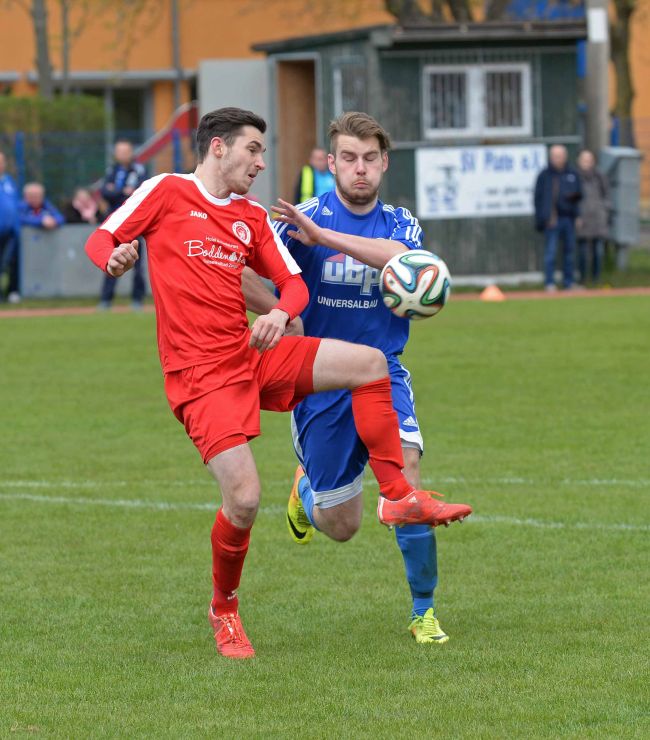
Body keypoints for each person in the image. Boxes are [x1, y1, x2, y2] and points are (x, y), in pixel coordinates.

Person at [84, 107, 472, 661]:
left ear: (384, 162)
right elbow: (105, 239)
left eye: (370, 158)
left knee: (373, 370)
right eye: (254, 150)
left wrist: (282, 312)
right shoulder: (171, 192)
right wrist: (115, 258)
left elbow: (299, 285)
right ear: (219, 147)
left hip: (276, 355)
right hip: (206, 375)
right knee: (264, 505)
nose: (262, 163)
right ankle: (228, 604)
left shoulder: (260, 216)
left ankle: (404, 521)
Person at [242, 111, 463, 645]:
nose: (359, 169)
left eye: (369, 158)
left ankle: (423, 611)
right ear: (331, 162)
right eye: (348, 158)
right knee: (342, 526)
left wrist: (325, 239)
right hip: (322, 382)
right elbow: (241, 271)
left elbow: (406, 259)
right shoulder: (299, 220)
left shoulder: (398, 222)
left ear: (384, 163)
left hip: (384, 372)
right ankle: (307, 490)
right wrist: (280, 311)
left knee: (407, 483)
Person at [98, 140, 147, 310]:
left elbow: (139, 193)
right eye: (119, 151)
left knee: (137, 263)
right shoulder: (111, 170)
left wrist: (116, 191)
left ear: (131, 152)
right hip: (114, 223)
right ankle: (106, 300)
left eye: (125, 151)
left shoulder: (139, 170)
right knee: (111, 260)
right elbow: (105, 192)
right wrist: (122, 191)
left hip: (134, 223)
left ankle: (137, 299)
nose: (122, 154)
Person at [533, 145, 582, 291]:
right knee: (551, 253)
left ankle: (569, 283)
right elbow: (538, 198)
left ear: (565, 156)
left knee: (569, 252)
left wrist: (577, 215)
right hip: (552, 220)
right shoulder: (544, 175)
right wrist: (542, 218)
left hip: (568, 219)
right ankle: (549, 283)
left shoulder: (572, 174)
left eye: (560, 156)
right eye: (555, 156)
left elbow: (579, 196)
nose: (558, 159)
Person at [575, 149, 610, 285]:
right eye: (584, 160)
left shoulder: (600, 177)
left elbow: (607, 196)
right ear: (579, 161)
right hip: (582, 220)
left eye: (589, 160)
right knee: (583, 252)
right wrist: (576, 215)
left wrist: (604, 211)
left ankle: (596, 279)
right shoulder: (574, 177)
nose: (586, 163)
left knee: (598, 252)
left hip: (598, 220)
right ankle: (582, 279)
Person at [0, 151, 20, 303]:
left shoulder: (9, 182)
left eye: (2, 161)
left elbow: (16, 204)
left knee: (10, 263)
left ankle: (12, 291)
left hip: (10, 231)